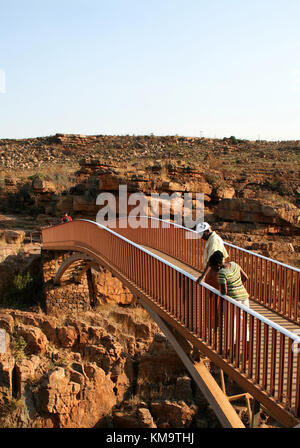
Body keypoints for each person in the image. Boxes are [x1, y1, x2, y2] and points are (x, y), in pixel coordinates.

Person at [208, 250, 250, 345]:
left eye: (213, 267)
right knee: (244, 322)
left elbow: (224, 291)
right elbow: (245, 277)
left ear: (218, 264)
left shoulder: (222, 273)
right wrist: (237, 286)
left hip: (234, 301)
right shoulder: (234, 264)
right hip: (244, 297)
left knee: (232, 324)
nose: (213, 269)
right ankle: (247, 346)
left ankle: (232, 348)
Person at [195, 222, 229, 288]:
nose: (201, 237)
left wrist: (203, 276)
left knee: (214, 291)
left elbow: (211, 259)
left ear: (207, 231)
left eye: (201, 234)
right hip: (214, 270)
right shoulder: (211, 238)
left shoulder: (214, 240)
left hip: (216, 270)